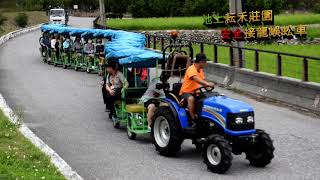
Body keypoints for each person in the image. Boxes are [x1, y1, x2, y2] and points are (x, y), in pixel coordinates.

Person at [179, 53, 215, 123]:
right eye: (205, 62)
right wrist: (208, 84)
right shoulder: (191, 69)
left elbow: (202, 82)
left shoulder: (200, 70)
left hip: (196, 92)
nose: (206, 64)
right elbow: (196, 78)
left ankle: (204, 116)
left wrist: (209, 90)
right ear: (201, 62)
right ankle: (193, 118)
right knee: (191, 98)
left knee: (208, 99)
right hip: (186, 92)